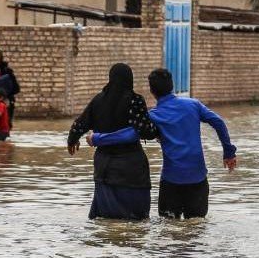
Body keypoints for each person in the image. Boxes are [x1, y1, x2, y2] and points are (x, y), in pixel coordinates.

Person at [91, 68, 237, 219]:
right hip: (198, 180)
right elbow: (218, 122)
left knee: (168, 230)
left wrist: (97, 138)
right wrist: (228, 152)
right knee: (196, 228)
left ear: (152, 91)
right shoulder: (193, 105)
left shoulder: (154, 115)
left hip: (171, 182)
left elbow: (130, 134)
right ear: (172, 86)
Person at [66, 63, 158, 220]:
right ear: (130, 80)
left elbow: (79, 124)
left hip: (105, 167)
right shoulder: (135, 100)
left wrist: (72, 140)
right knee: (136, 221)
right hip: (131, 168)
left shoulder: (99, 100)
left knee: (106, 219)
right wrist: (157, 129)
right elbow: (146, 132)